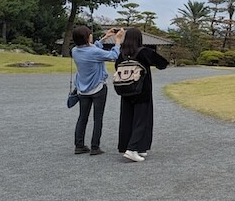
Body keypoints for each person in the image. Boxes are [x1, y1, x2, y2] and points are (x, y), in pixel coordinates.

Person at [70, 26, 125, 155]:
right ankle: (95, 147)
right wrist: (117, 40)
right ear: (87, 37)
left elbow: (93, 47)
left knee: (82, 118)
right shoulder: (93, 53)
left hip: (82, 89)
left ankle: (79, 145)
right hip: (98, 88)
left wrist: (105, 38)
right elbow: (114, 56)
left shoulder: (75, 51)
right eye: (90, 34)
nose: (91, 36)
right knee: (97, 118)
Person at [116, 27, 169, 162]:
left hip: (125, 90)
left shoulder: (122, 53)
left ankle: (130, 146)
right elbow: (162, 63)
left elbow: (117, 67)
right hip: (142, 90)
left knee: (127, 119)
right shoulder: (143, 52)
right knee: (142, 120)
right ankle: (133, 149)